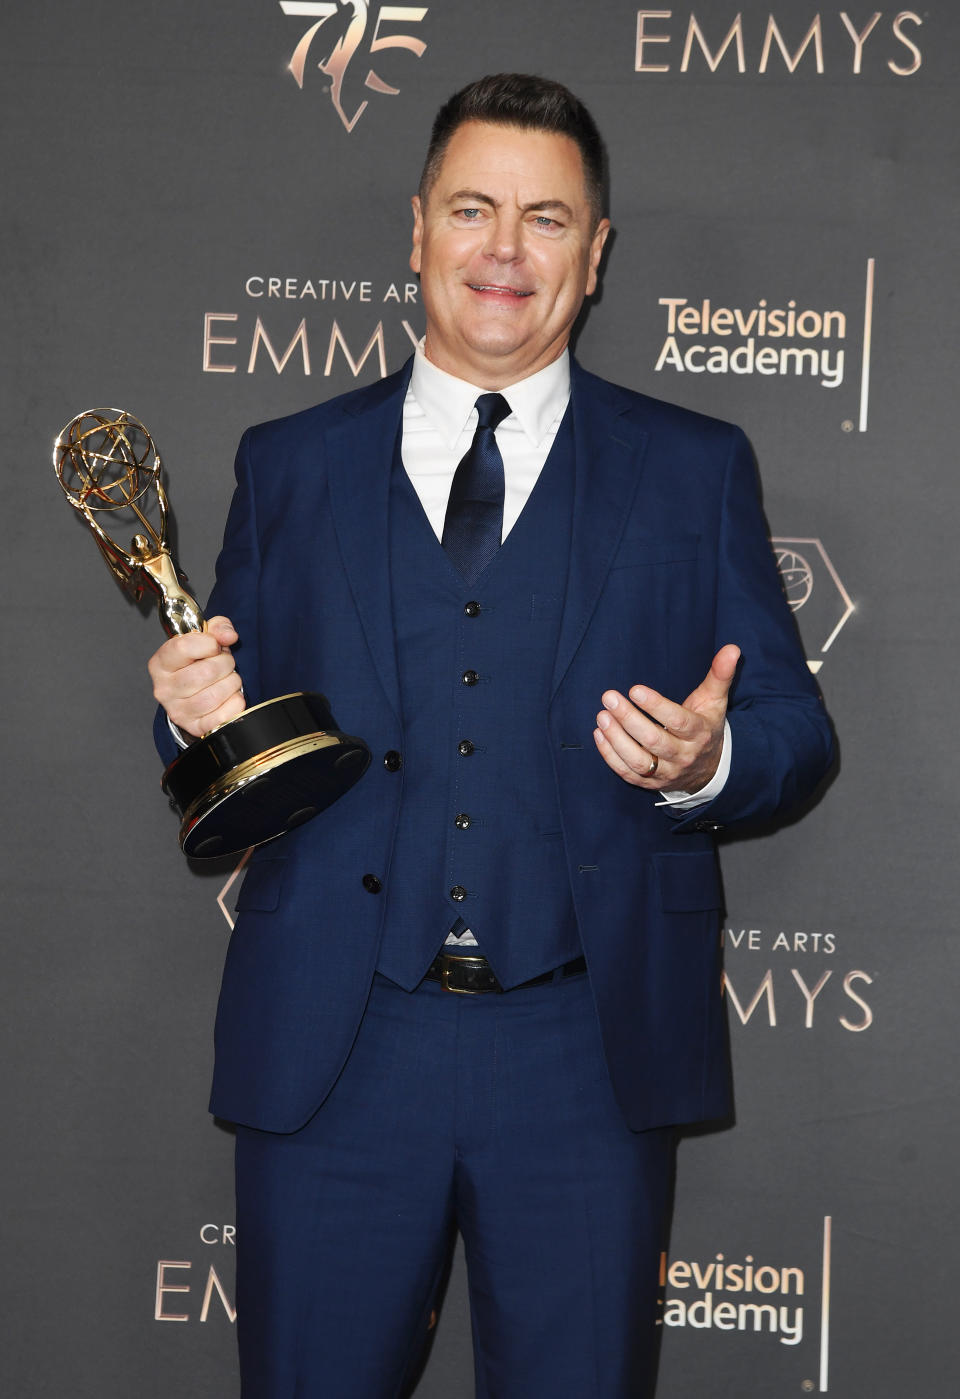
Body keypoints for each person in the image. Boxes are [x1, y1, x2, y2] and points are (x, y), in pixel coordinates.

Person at [148, 74, 834, 1399]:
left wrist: (711, 765)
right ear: (417, 232)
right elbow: (225, 720)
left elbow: (797, 731)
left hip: (585, 1058)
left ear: (597, 252)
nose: (505, 250)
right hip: (339, 1051)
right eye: (473, 210)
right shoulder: (288, 463)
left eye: (547, 218)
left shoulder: (694, 467)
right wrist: (186, 707)